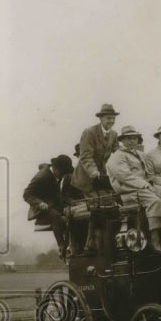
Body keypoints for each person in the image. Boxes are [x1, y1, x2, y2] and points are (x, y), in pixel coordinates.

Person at [105, 125, 161, 255]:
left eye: (135, 138)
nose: (132, 141)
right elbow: (125, 176)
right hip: (128, 191)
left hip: (143, 188)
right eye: (129, 138)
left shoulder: (141, 155)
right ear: (122, 140)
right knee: (154, 201)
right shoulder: (116, 157)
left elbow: (149, 174)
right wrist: (145, 185)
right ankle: (155, 239)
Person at [71, 103, 120, 254]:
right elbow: (86, 156)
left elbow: (117, 155)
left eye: (113, 118)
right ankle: (90, 245)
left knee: (108, 207)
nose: (110, 121)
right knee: (95, 208)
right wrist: (94, 172)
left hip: (103, 178)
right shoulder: (89, 132)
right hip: (87, 178)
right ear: (101, 118)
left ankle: (106, 243)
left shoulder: (114, 135)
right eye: (107, 118)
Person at [23, 154, 75, 258]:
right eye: (62, 174)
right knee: (56, 216)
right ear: (55, 169)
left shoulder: (56, 173)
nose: (63, 177)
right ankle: (61, 245)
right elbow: (26, 194)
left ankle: (73, 243)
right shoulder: (42, 177)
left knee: (72, 211)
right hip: (41, 208)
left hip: (52, 203)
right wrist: (39, 203)